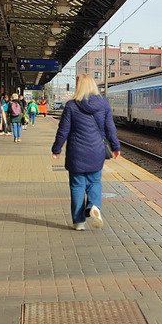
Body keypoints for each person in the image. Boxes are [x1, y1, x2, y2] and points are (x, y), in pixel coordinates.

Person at [52, 74, 120, 231]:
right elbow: (111, 129)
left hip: (76, 152)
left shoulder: (71, 105)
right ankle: (94, 206)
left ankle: (79, 222)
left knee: (77, 186)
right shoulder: (103, 104)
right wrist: (116, 147)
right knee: (95, 182)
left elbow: (63, 131)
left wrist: (57, 149)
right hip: (97, 151)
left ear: (78, 87)